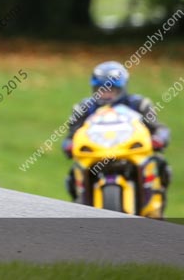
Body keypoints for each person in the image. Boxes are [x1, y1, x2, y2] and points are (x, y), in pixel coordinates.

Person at [62, 61, 172, 213]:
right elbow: (71, 135)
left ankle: (157, 209)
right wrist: (68, 145)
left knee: (161, 164)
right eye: (101, 90)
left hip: (129, 151)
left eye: (111, 90)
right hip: (97, 153)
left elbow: (159, 128)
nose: (106, 94)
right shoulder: (83, 107)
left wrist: (159, 139)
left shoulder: (139, 104)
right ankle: (80, 204)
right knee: (72, 175)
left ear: (122, 88)